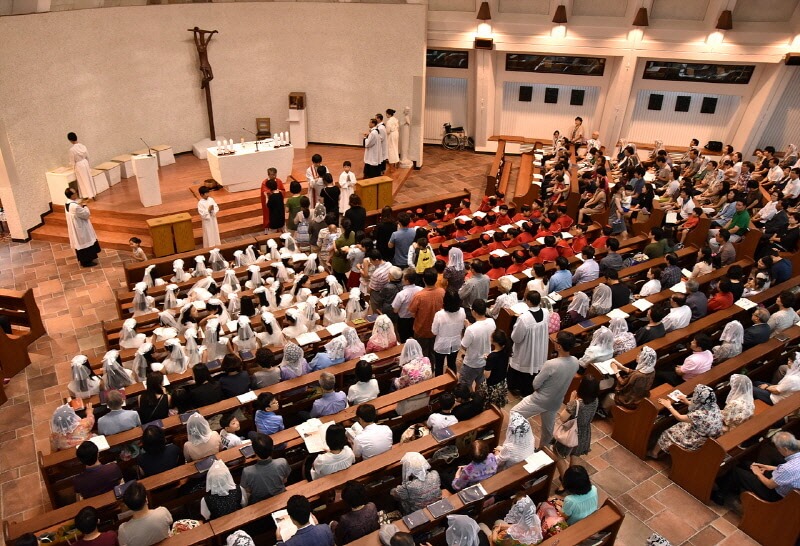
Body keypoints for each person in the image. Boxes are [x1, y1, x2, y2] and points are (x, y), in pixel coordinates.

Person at [512, 331, 579, 448]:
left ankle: (521, 443)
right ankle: (543, 449)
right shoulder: (575, 362)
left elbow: (535, 383)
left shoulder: (551, 364)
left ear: (559, 346)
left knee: (514, 414)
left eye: (556, 341)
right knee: (548, 431)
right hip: (555, 402)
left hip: (540, 400)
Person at [713, 431, 800, 505]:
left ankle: (719, 496)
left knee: (736, 472)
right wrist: (768, 467)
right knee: (746, 464)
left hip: (774, 494)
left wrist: (758, 473)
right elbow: (788, 473)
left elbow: (770, 485)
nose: (778, 450)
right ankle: (733, 486)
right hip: (780, 484)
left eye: (778, 448)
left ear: (785, 449)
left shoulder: (787, 468)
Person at [649, 384, 723, 458]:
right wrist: (686, 401)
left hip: (696, 439)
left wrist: (669, 406)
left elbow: (679, 417)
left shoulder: (700, 415)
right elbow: (700, 406)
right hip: (706, 435)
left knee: (667, 433)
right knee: (681, 424)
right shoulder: (713, 405)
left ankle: (654, 453)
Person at [553, 377, 599, 487]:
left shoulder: (576, 404)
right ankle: (573, 481)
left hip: (572, 432)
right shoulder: (596, 400)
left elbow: (563, 417)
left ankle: (565, 480)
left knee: (557, 454)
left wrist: (571, 401)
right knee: (575, 455)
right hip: (584, 433)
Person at [508, 291, 551, 396]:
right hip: (539, 347)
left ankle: (516, 388)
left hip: (526, 349)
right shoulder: (546, 312)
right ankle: (527, 390)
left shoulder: (524, 318)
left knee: (521, 368)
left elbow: (516, 338)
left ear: (528, 301)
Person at [602, 345, 657, 412]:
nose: (637, 356)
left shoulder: (638, 376)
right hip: (640, 396)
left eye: (639, 355)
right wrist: (622, 368)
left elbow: (623, 383)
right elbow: (634, 373)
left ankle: (604, 411)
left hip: (629, 400)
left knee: (609, 392)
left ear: (644, 359)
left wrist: (616, 371)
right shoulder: (651, 370)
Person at [241, 434, 291, 503]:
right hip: (280, 495)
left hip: (259, 502)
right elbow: (285, 480)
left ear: (254, 451)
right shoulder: (282, 462)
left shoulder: (247, 472)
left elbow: (247, 490)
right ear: (272, 448)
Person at [409, 268, 445, 362]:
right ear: (436, 279)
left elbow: (412, 312)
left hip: (421, 329)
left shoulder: (419, 296)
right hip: (437, 329)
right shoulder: (442, 292)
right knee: (433, 352)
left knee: (422, 354)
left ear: (423, 279)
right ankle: (432, 367)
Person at [64, 188, 101, 267]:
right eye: (75, 193)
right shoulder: (75, 206)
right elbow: (86, 214)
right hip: (81, 228)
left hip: (77, 227)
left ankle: (86, 260)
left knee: (81, 243)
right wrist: (85, 205)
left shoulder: (67, 203)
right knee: (85, 242)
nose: (76, 194)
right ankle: (86, 262)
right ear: (71, 196)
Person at [393, 269, 423, 342]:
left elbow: (395, 310)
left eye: (403, 278)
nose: (401, 279)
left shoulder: (401, 294)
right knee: (416, 339)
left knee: (404, 340)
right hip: (417, 319)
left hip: (404, 321)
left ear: (407, 281)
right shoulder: (421, 290)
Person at [485, 329, 511, 408]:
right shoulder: (506, 350)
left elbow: (486, 375)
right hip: (502, 382)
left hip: (493, 385)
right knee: (497, 404)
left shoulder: (492, 356)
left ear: (495, 342)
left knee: (490, 405)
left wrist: (487, 362)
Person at [67, 132, 96, 199]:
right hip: (85, 162)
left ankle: (86, 195)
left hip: (79, 165)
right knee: (88, 179)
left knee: (82, 180)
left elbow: (72, 161)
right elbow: (87, 156)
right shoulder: (83, 146)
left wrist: (71, 167)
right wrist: (87, 163)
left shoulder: (72, 150)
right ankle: (92, 193)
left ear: (70, 140)